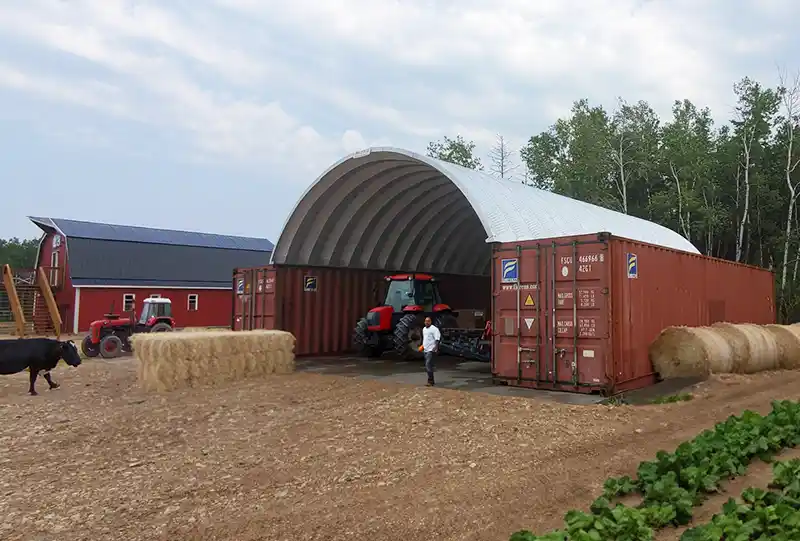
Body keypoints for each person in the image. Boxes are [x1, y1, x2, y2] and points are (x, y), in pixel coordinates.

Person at [421, 316, 441, 386]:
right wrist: (422, 346)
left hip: (431, 350)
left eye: (428, 321)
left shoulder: (434, 329)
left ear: (431, 322)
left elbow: (437, 339)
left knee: (428, 365)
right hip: (425, 350)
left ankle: (430, 381)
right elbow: (425, 339)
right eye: (426, 321)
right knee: (429, 365)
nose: (427, 322)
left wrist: (435, 347)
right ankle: (431, 379)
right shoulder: (424, 329)